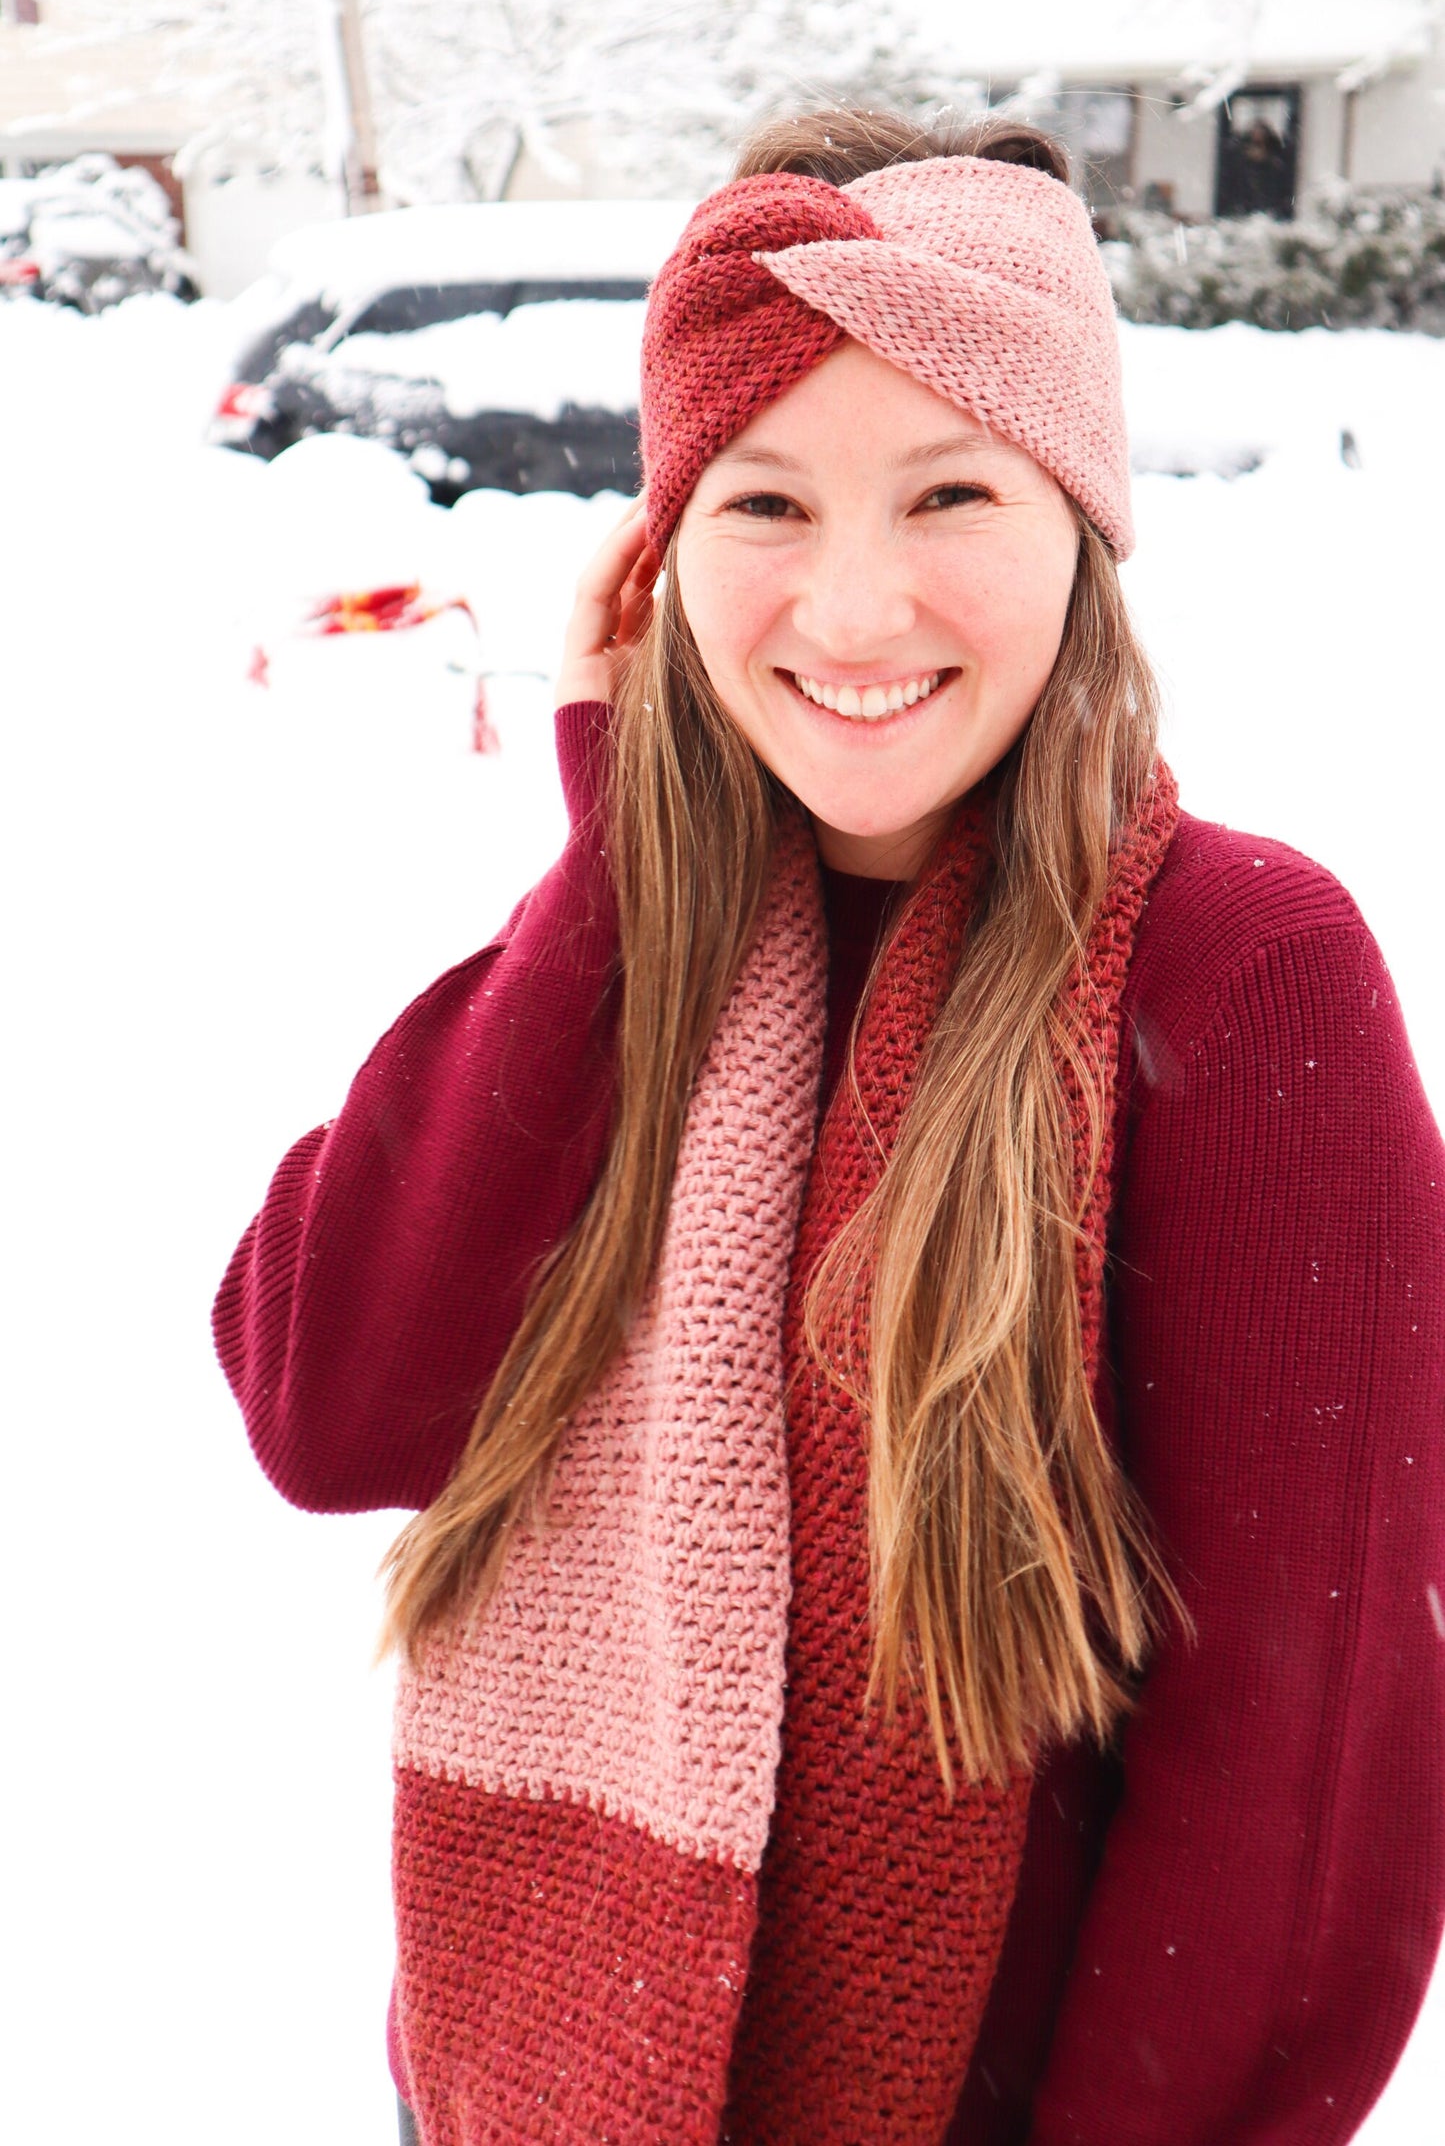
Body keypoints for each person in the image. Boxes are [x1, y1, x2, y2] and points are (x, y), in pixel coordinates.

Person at [213, 109, 1445, 2146]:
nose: (852, 611)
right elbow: (328, 1393)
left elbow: (1300, 1802)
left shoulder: (1239, 973)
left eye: (947, 487)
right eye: (764, 501)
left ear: (1078, 518)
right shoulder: (639, 959)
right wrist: (617, 864)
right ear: (660, 548)